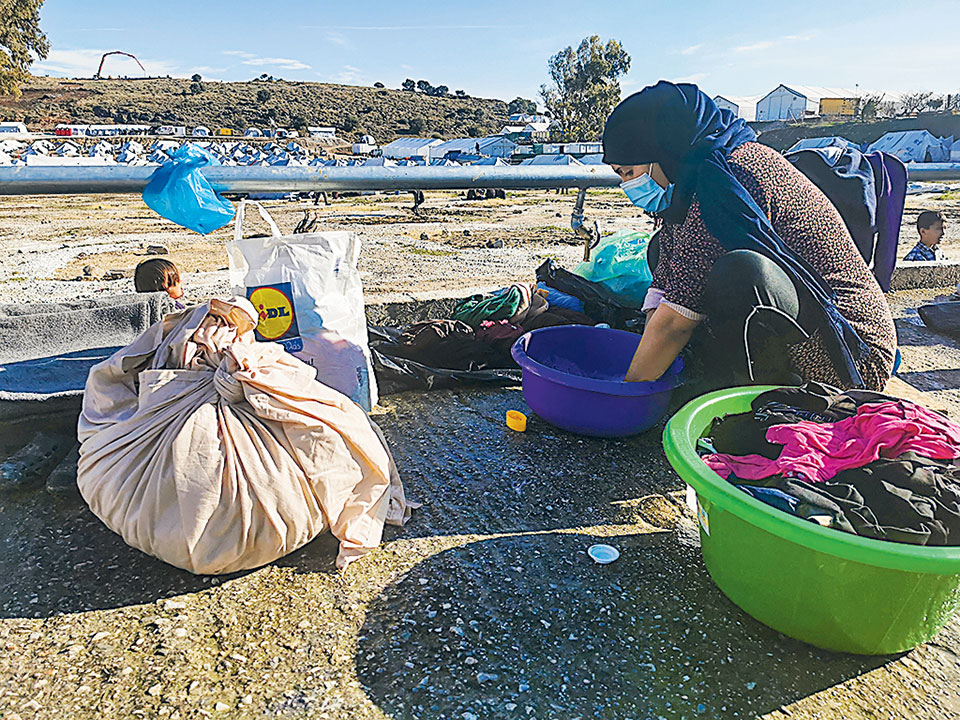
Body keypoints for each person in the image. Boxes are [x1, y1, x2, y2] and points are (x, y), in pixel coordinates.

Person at [601, 81, 896, 391]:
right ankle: (724, 368)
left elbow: (675, 322)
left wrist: (625, 391)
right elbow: (669, 276)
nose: (627, 186)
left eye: (629, 173)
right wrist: (648, 340)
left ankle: (758, 391)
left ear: (663, 152)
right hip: (805, 317)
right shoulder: (698, 169)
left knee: (741, 274)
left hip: (850, 352)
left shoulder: (727, 182)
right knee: (662, 249)